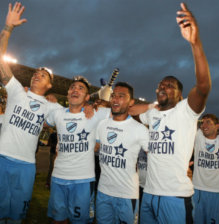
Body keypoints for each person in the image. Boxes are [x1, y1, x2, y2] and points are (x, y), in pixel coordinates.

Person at [129, 3, 211, 224]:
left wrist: (195, 43)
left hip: (175, 197)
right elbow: (132, 111)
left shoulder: (186, 110)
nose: (162, 87)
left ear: (180, 93)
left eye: (168, 85)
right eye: (160, 85)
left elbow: (203, 86)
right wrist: (149, 107)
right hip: (148, 193)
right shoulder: (153, 113)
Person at [0, 3, 61, 223]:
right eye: (36, 72)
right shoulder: (17, 90)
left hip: (26, 166)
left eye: (43, 75)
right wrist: (8, 28)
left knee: (17, 216)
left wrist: (90, 105)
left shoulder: (51, 107)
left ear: (50, 84)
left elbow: (73, 114)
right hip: (2, 158)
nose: (37, 75)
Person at [46, 76, 111, 224]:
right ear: (68, 93)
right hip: (58, 177)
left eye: (80, 88)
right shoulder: (58, 113)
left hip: (83, 180)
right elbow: (42, 121)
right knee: (58, 220)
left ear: (87, 97)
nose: (75, 89)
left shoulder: (96, 113)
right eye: (73, 87)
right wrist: (46, 99)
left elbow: (119, 109)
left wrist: (102, 102)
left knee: (80, 221)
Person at [95, 82, 149, 224]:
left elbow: (155, 156)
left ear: (131, 102)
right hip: (103, 191)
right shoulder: (102, 124)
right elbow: (94, 148)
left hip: (127, 194)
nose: (115, 99)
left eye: (121, 96)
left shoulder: (140, 129)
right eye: (113, 95)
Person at [192, 114, 219, 224]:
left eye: (209, 122)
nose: (204, 125)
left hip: (218, 192)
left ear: (217, 126)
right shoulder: (199, 137)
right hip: (198, 190)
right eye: (203, 122)